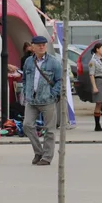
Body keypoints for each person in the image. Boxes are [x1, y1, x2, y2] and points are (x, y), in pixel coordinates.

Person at [21, 35, 63, 166]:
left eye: (44, 44)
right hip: (31, 100)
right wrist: (25, 91)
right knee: (27, 125)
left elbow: (60, 80)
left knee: (49, 130)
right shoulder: (28, 61)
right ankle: (38, 151)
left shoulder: (53, 62)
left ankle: (47, 157)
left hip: (47, 100)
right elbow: (24, 79)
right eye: (39, 45)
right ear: (32, 47)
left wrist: (53, 94)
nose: (42, 47)